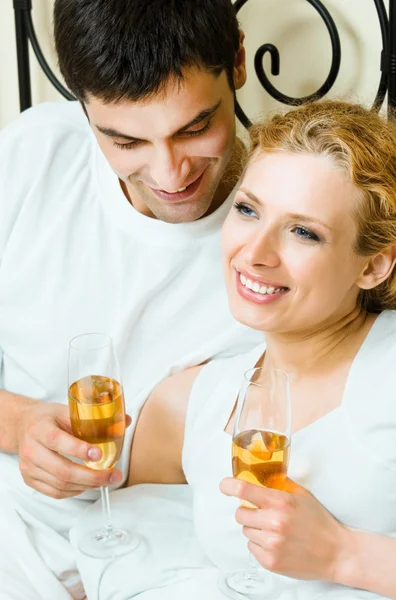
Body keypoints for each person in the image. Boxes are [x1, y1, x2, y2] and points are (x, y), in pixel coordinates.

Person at [72, 100, 396, 600]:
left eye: (304, 232)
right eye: (248, 210)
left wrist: (344, 554)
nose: (254, 253)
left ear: (372, 266)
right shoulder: (200, 402)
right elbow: (139, 549)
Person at [0, 1, 262, 598]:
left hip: (174, 562)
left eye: (195, 128)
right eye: (124, 140)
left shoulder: (291, 228)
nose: (169, 174)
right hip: (12, 534)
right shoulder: (33, 158)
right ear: (83, 108)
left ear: (239, 62)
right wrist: (17, 425)